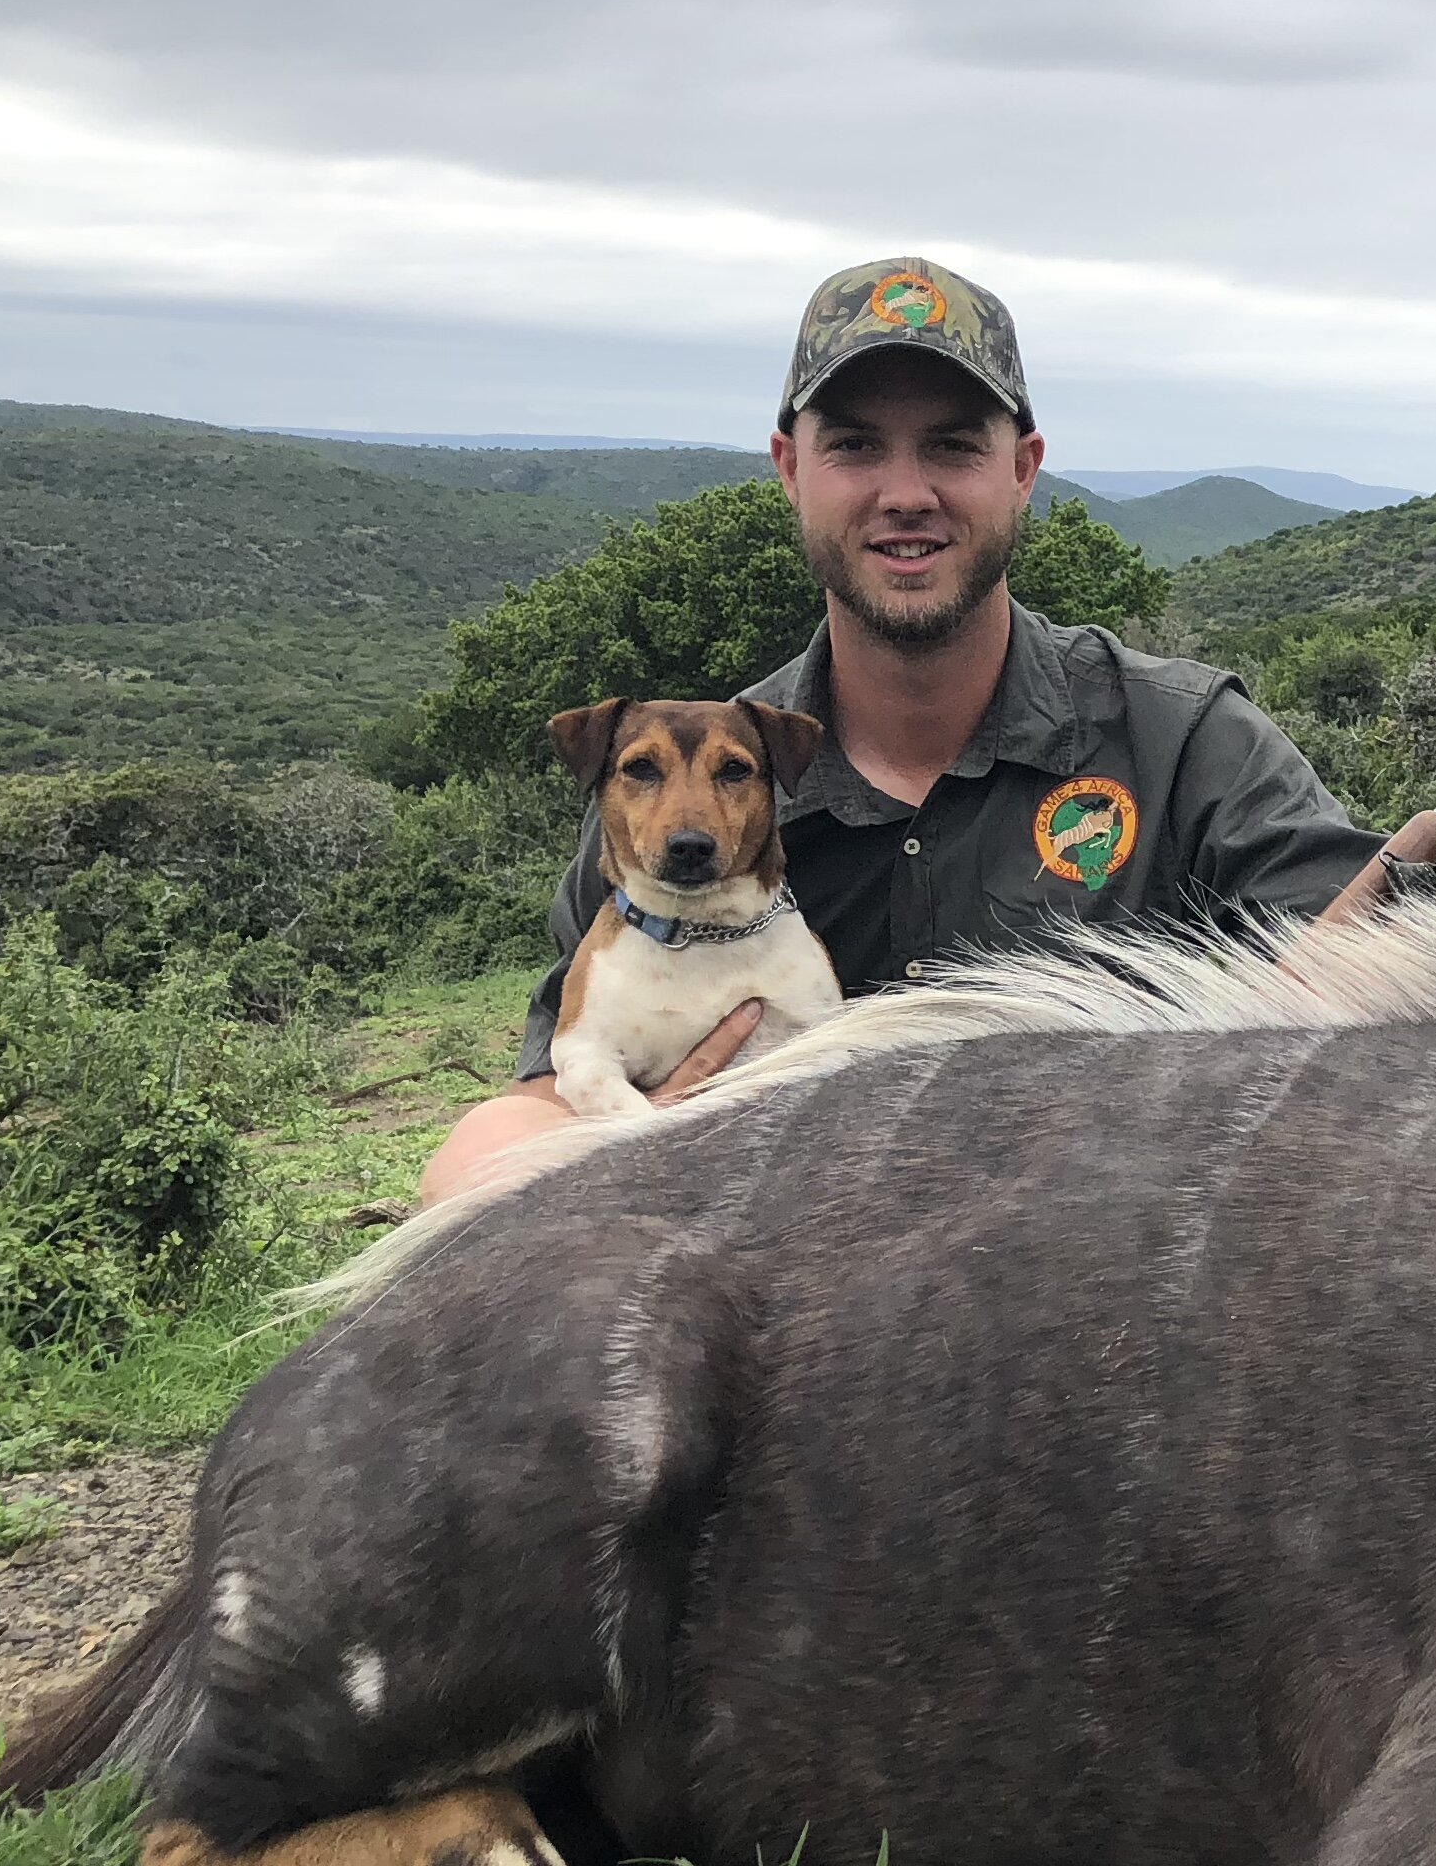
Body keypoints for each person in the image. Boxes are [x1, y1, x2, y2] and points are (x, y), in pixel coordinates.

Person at [419, 256, 1384, 1205]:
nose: (907, 492)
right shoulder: (679, 795)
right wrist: (577, 1146)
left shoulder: (1185, 743)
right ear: (791, 471)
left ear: (1023, 471)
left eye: (956, 447)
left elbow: (1377, 963)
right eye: (855, 446)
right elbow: (554, 1080)